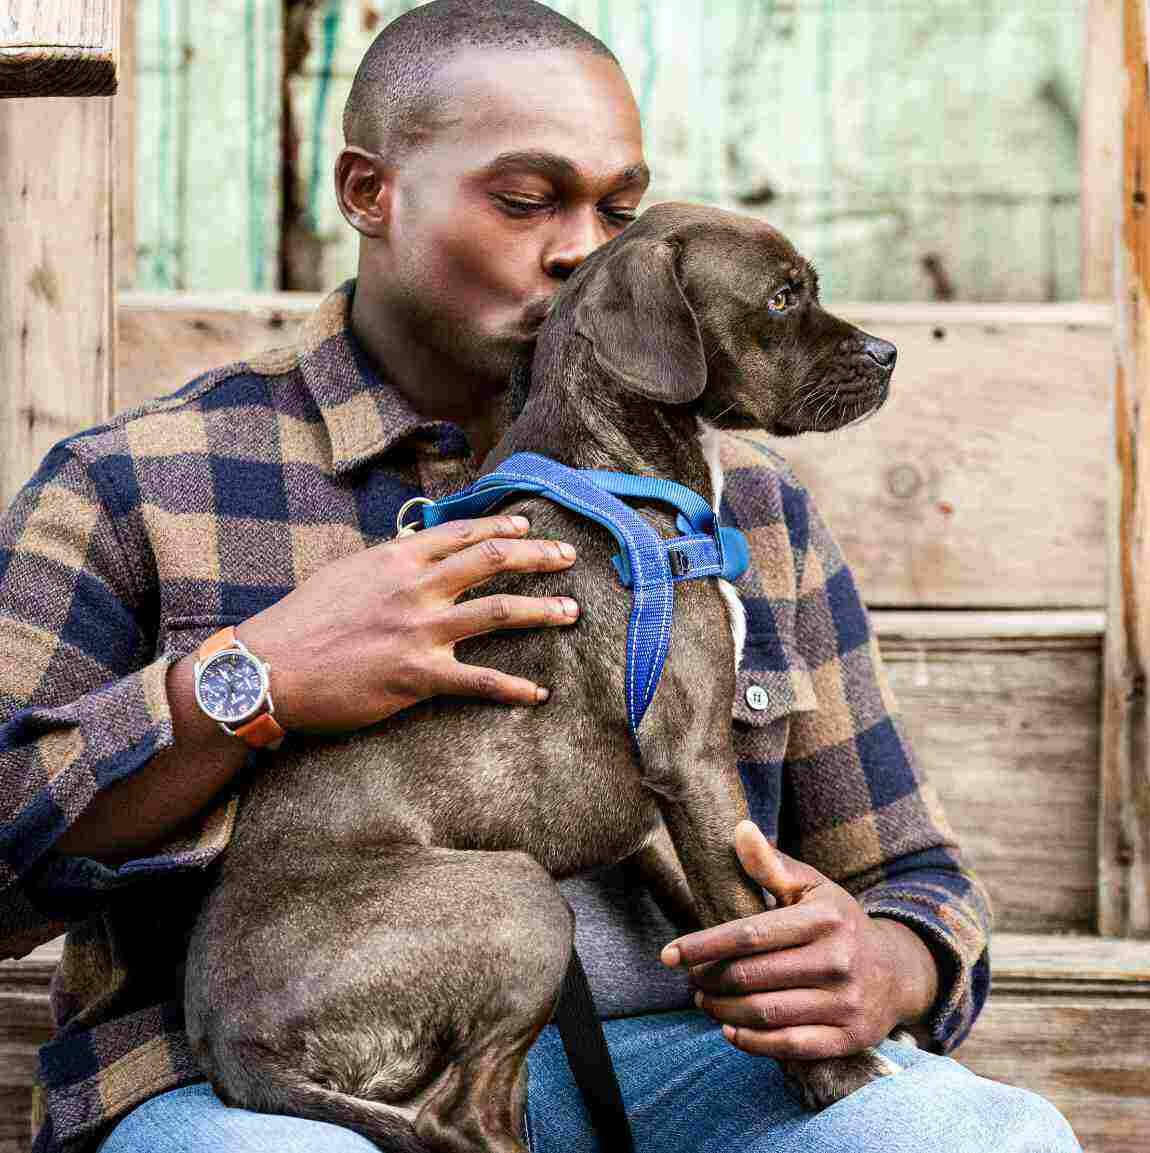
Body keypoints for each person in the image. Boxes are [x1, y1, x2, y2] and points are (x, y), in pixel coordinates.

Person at [0, 3, 1080, 1151]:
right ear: (369, 192)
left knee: (979, 1138)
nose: (582, 250)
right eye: (526, 201)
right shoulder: (141, 482)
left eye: (619, 210)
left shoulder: (743, 506)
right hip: (278, 1092)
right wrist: (247, 680)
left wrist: (882, 963)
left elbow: (915, 877)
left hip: (684, 1072)